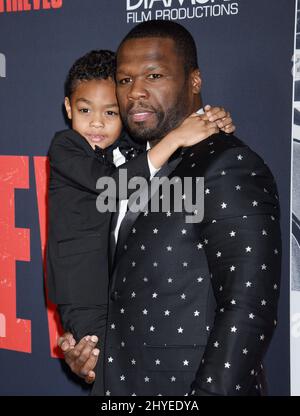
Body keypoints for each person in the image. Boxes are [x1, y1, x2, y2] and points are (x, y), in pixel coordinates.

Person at [58, 20, 281, 396]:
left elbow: (247, 312)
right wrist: (90, 351)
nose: (136, 93)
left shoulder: (227, 165)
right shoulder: (117, 164)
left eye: (154, 75)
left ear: (194, 81)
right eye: (125, 81)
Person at [47, 48, 235, 394]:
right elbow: (112, 185)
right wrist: (179, 137)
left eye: (111, 112)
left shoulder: (130, 152)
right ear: (69, 108)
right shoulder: (66, 146)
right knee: (107, 373)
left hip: (125, 294)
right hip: (84, 294)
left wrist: (210, 119)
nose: (98, 123)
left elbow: (162, 158)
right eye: (86, 110)